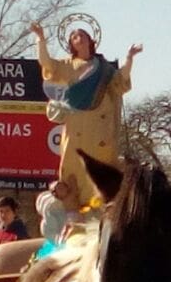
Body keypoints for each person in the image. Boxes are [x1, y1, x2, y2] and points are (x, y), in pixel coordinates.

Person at [31, 20, 141, 209]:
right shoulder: (68, 65)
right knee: (74, 169)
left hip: (99, 130)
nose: (78, 38)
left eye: (82, 35)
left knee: (101, 170)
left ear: (91, 41)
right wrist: (40, 39)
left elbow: (120, 83)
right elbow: (47, 64)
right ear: (71, 44)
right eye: (74, 37)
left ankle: (103, 207)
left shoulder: (104, 69)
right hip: (76, 129)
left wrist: (129, 58)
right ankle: (73, 210)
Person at [36, 179, 80, 248]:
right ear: (54, 192)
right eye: (59, 188)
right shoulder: (52, 208)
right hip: (61, 240)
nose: (62, 189)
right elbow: (51, 232)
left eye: (63, 187)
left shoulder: (73, 200)